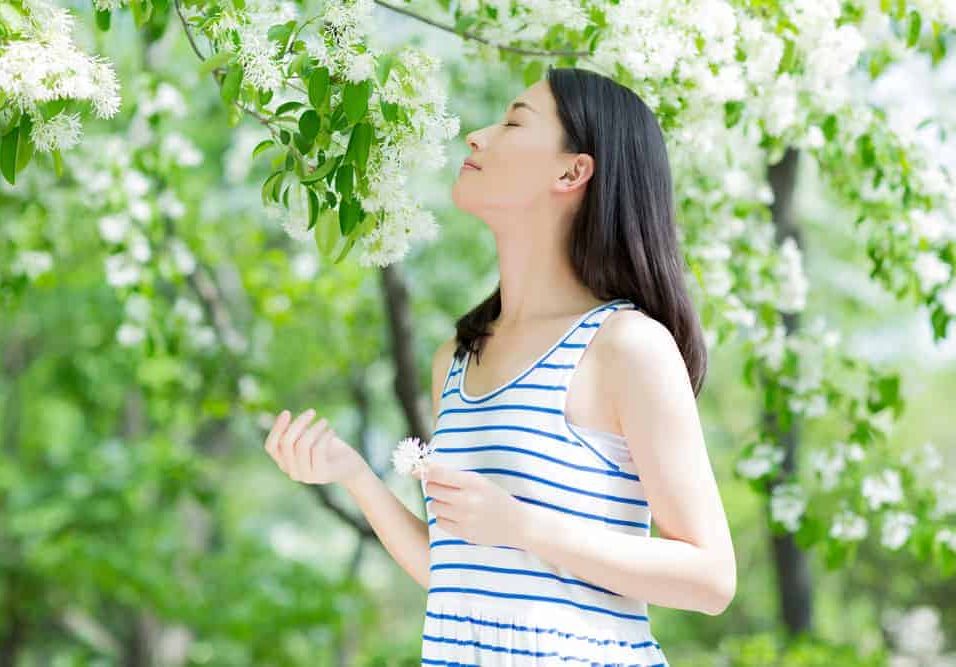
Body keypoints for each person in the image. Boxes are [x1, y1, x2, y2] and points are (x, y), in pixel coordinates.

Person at [263, 66, 736, 666]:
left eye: (514, 122)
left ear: (572, 171)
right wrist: (354, 474)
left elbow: (712, 578)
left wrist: (526, 526)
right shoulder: (458, 360)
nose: (477, 137)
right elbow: (459, 575)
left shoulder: (625, 346)